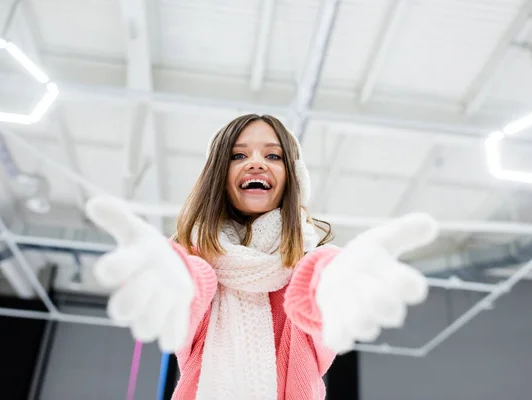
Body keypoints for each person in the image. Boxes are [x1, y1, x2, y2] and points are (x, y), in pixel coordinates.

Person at [85, 114, 439, 399]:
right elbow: (191, 283)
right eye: (238, 155)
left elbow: (316, 283)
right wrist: (176, 276)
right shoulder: (195, 266)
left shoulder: (308, 270)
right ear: (219, 176)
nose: (256, 163)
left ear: (293, 178)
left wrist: (335, 281)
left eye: (273, 155)